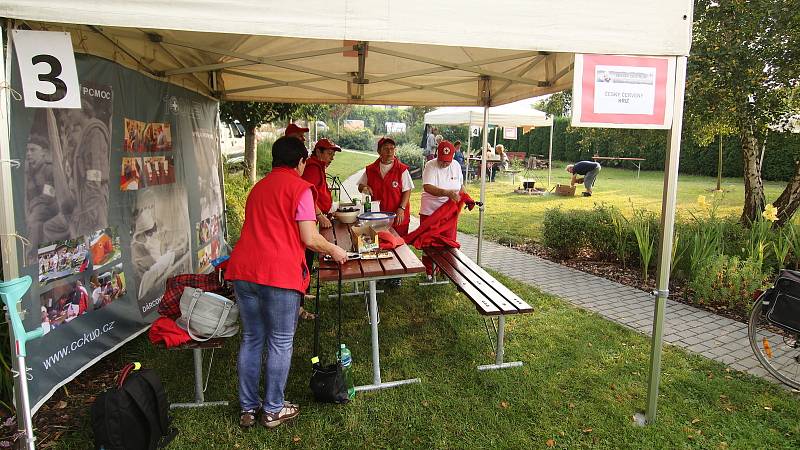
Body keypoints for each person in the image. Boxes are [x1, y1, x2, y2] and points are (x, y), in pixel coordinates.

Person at [225, 136, 347, 430]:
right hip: (277, 273)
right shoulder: (301, 188)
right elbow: (309, 237)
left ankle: (248, 408)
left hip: (243, 271)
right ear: (301, 161)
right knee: (280, 341)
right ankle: (273, 409)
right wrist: (334, 250)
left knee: (253, 338)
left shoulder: (258, 189)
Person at [419, 140, 465, 276]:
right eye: (442, 160)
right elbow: (427, 187)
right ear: (437, 155)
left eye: (448, 161)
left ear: (453, 157)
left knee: (448, 242)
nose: (445, 163)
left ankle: (447, 270)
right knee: (429, 242)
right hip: (430, 211)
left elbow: (461, 185)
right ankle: (430, 272)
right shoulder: (430, 165)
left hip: (449, 212)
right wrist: (447, 193)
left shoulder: (456, 165)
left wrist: (465, 198)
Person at [357, 137, 414, 237]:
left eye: (392, 148)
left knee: (399, 245)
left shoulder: (401, 169)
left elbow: (407, 190)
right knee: (379, 245)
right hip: (377, 218)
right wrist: (365, 188)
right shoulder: (371, 169)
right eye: (386, 148)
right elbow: (360, 186)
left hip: (398, 217)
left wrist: (402, 208)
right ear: (379, 151)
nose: (390, 151)